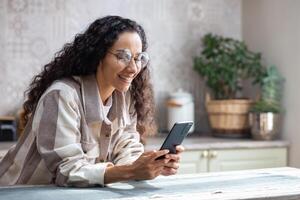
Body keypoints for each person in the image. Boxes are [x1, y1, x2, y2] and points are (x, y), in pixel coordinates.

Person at [0, 16, 184, 187]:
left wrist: (150, 164)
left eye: (138, 58)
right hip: (18, 192)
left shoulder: (124, 96)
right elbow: (67, 170)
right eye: (123, 57)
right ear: (98, 55)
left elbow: (126, 149)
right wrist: (129, 171)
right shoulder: (62, 95)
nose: (133, 68)